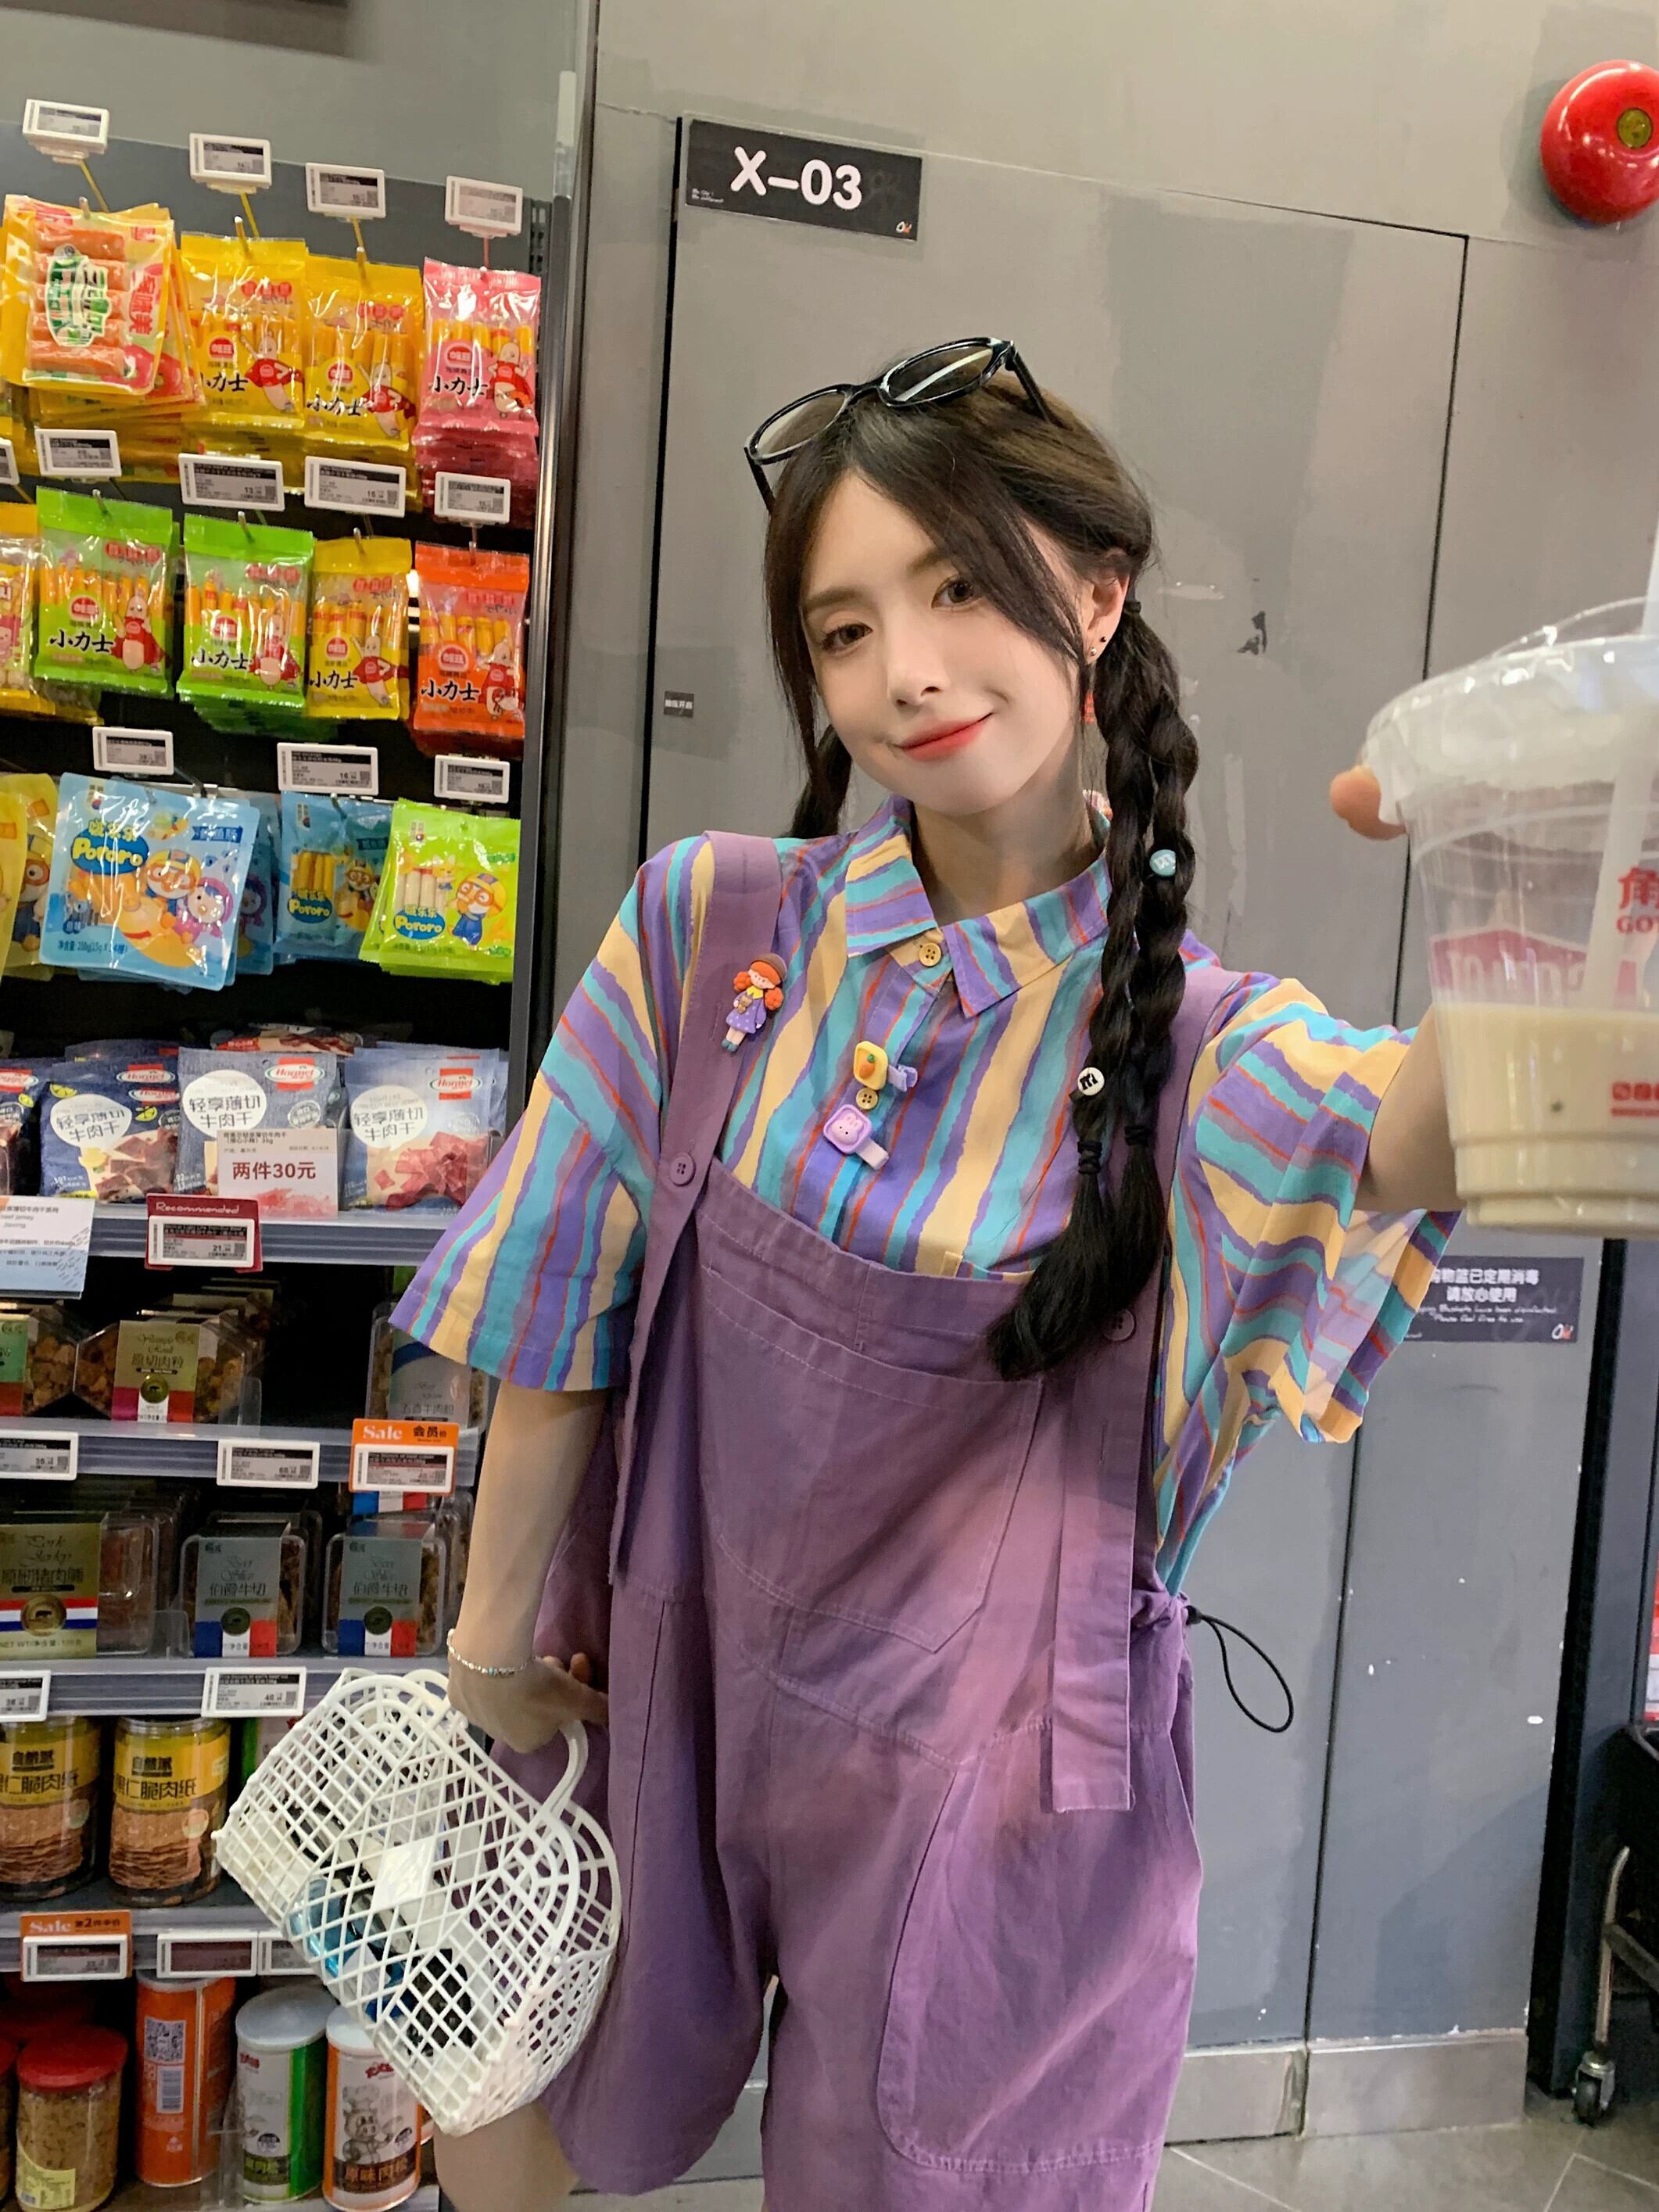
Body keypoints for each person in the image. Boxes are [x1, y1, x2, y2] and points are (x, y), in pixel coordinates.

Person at [390, 338, 1462, 2212]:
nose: (905, 667)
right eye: (843, 627)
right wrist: (487, 1661)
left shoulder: (1204, 1051)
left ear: (1097, 593)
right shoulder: (708, 932)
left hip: (999, 1786)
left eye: (960, 587)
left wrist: (1547, 848)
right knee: (503, 2082)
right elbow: (553, 1311)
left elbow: (1418, 1137)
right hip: (641, 1671)